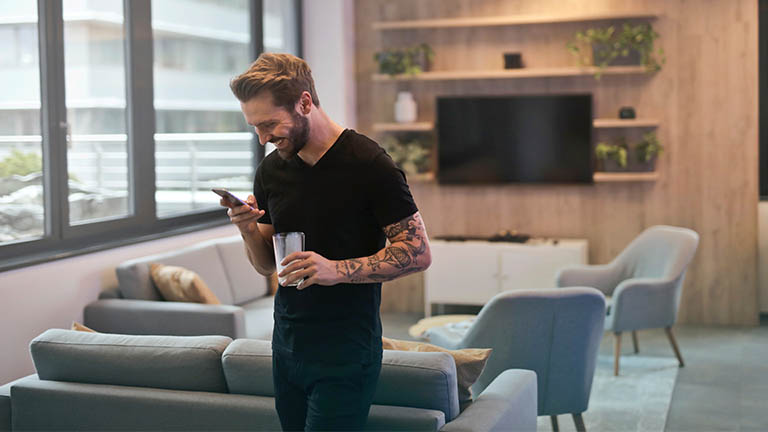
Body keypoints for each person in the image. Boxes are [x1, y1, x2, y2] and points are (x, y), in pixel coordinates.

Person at [221, 53, 432, 431]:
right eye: (254, 127)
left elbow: (418, 252)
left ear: (305, 102)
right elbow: (267, 265)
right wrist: (247, 228)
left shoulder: (370, 164)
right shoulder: (270, 170)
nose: (263, 138)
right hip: (286, 344)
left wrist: (335, 269)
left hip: (347, 349)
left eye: (269, 124)